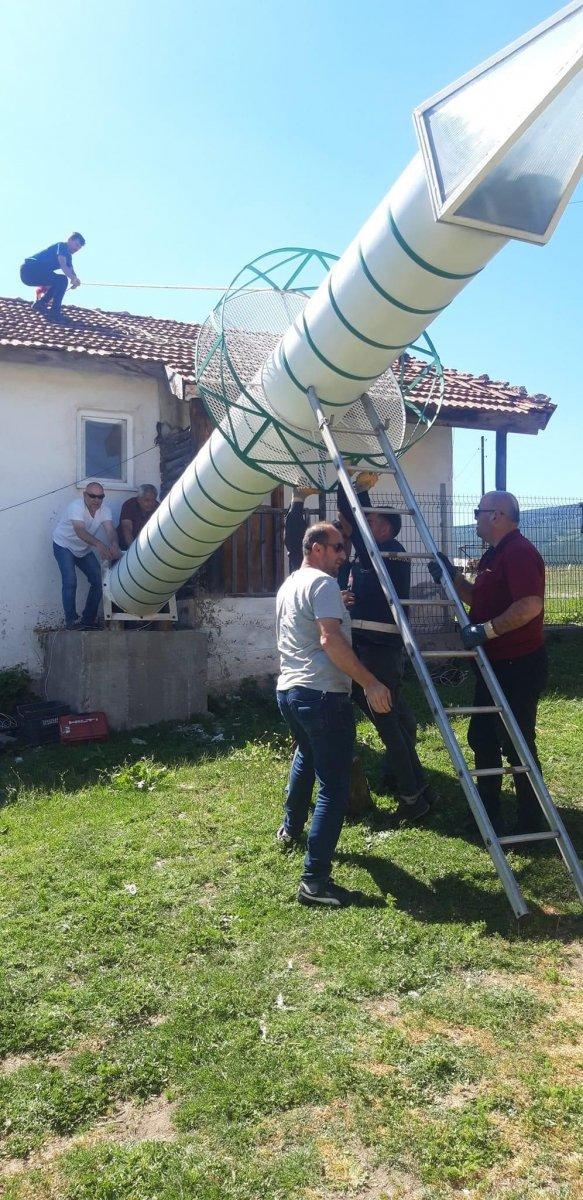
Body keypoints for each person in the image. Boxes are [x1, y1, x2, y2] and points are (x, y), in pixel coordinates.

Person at [276, 522, 391, 907]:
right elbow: (329, 639)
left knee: (306, 755)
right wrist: (370, 683)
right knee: (335, 786)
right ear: (317, 548)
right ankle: (314, 881)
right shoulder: (323, 585)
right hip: (323, 693)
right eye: (338, 547)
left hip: (289, 691)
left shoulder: (291, 582)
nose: (344, 555)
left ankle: (290, 830)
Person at [429, 491, 547, 834]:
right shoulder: (495, 554)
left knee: (517, 743)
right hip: (494, 663)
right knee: (482, 737)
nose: (476, 517)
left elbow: (529, 606)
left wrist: (487, 630)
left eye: (479, 512)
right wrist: (450, 576)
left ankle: (530, 820)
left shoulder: (519, 552)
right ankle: (487, 815)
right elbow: (477, 596)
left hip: (519, 665)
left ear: (497, 515)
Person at [337, 488, 434, 823]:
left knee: (388, 724)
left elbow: (351, 513)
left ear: (383, 530)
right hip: (372, 649)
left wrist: (355, 485)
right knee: (397, 721)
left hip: (378, 652)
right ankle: (415, 785)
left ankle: (412, 795)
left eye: (372, 520)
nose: (364, 525)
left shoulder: (389, 552)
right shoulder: (369, 558)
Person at [52, 482, 121, 629]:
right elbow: (80, 531)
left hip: (83, 549)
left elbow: (110, 530)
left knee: (99, 581)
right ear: (85, 495)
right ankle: (71, 621)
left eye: (100, 496)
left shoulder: (104, 510)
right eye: (92, 496)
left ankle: (87, 620)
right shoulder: (75, 507)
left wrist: (114, 544)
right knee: (70, 581)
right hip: (63, 545)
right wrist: (99, 544)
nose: (96, 500)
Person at [20, 233, 85, 324]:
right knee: (62, 280)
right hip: (29, 269)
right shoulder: (62, 246)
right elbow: (62, 263)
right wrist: (72, 278)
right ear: (70, 240)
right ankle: (54, 313)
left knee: (60, 281)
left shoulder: (68, 256)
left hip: (35, 274)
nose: (77, 249)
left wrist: (75, 279)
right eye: (77, 245)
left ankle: (41, 304)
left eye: (79, 248)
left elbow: (70, 269)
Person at [117, 484, 159, 548]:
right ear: (139, 499)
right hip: (124, 544)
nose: (150, 503)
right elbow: (127, 530)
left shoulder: (158, 507)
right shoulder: (129, 505)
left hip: (145, 545)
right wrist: (133, 551)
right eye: (147, 500)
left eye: (153, 500)